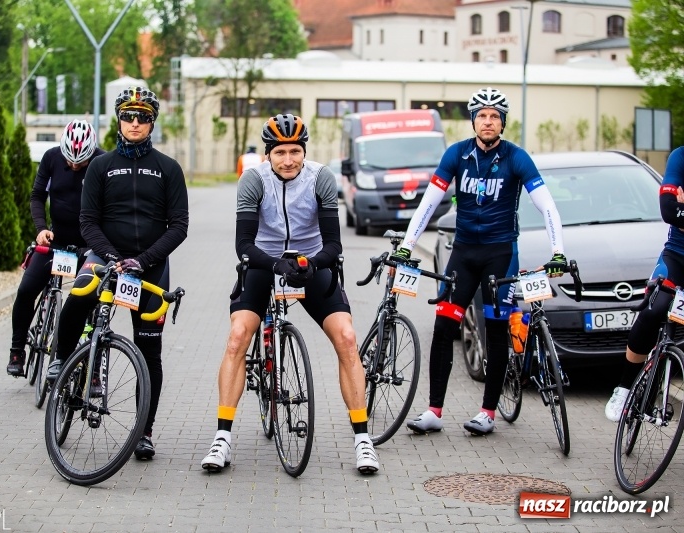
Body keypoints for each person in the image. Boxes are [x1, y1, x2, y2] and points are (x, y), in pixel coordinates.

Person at [200, 113, 380, 474]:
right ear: (268, 153)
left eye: (295, 151)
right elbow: (243, 244)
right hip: (263, 262)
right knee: (237, 337)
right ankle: (222, 438)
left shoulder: (320, 178)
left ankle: (363, 440)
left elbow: (334, 244)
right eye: (280, 152)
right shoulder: (254, 179)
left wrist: (311, 264)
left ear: (304, 151)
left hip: (310, 262)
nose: (288, 160)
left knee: (347, 338)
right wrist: (274, 265)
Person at [392, 87, 567, 436]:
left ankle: (488, 413)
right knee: (444, 327)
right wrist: (408, 246)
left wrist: (557, 251)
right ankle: (434, 410)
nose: (488, 121)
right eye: (482, 116)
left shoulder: (517, 157)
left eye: (494, 116)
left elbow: (546, 204)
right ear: (473, 121)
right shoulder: (457, 154)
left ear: (503, 123)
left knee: (495, 329)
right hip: (463, 253)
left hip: (500, 254)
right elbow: (429, 202)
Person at [47, 86, 189, 461]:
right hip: (105, 257)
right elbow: (87, 221)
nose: (135, 122)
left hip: (149, 267)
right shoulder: (100, 166)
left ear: (152, 122)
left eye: (143, 117)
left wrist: (142, 260)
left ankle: (145, 432)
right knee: (78, 296)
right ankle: (61, 358)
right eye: (128, 116)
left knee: (150, 352)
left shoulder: (168, 168)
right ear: (119, 120)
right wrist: (111, 257)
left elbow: (179, 225)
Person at [6, 119, 104, 377]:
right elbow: (38, 196)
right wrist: (41, 229)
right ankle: (17, 350)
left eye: (80, 163)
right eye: (70, 161)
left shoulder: (102, 161)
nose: (74, 166)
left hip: (87, 246)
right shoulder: (51, 158)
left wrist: (100, 243)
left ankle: (91, 365)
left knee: (90, 302)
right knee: (26, 290)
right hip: (56, 241)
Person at [605, 147, 684, 421]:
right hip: (677, 257)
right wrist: (678, 210)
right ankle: (624, 388)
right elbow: (669, 211)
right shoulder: (680, 157)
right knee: (654, 309)